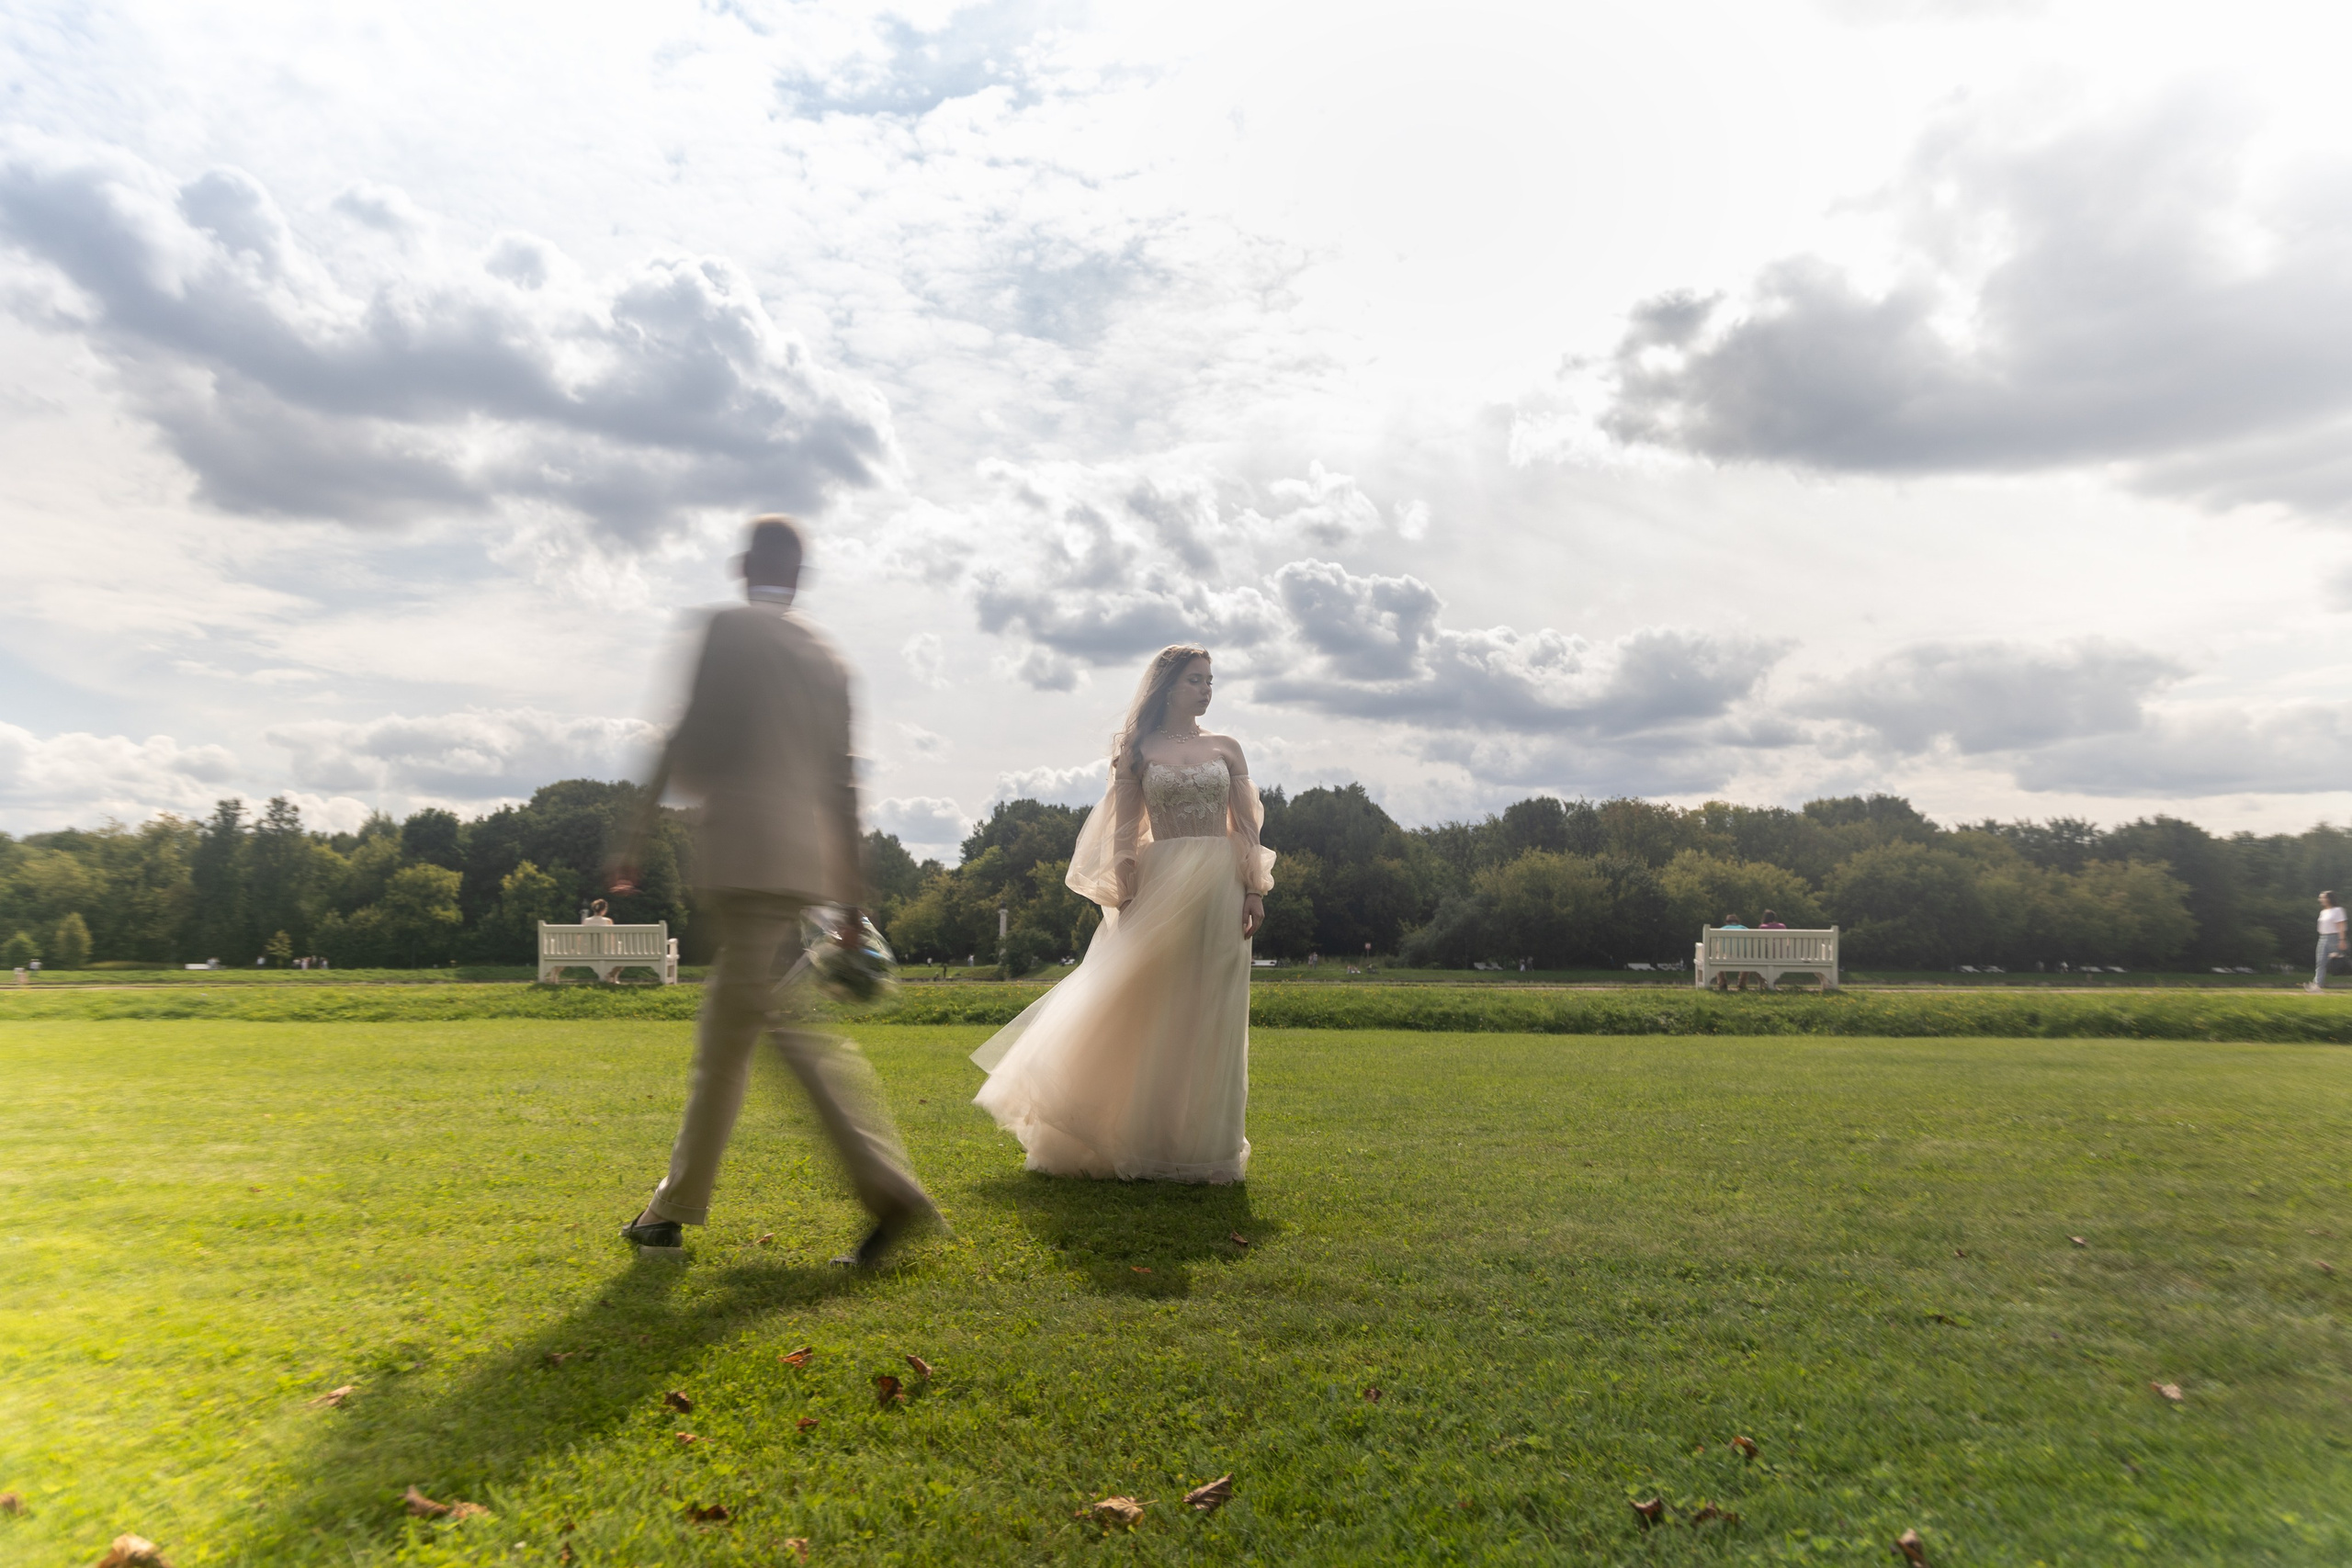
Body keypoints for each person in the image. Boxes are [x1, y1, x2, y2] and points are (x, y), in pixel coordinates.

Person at [608, 515, 937, 1268]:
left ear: (745, 564)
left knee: (775, 1032)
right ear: (799, 572)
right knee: (731, 1036)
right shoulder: (830, 659)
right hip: (801, 863)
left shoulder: (726, 628)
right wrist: (852, 901)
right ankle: (669, 1209)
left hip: (742, 852)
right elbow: (844, 781)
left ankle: (890, 1191)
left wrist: (633, 836)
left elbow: (685, 735)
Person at [968, 644, 1273, 1181]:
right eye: (1195, 680)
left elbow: (1247, 827)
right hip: (1161, 888)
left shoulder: (1228, 748)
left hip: (1222, 886)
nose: (1206, 689)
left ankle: (1207, 1149)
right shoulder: (1138, 750)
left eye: (1210, 680)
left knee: (1213, 1012)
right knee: (1151, 1005)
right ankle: (1136, 1135)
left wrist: (1254, 889)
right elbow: (1124, 835)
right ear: (1167, 687)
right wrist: (1126, 898)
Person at [2311, 891, 2346, 993]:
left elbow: (2341, 926)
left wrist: (2342, 940)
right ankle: (2317, 986)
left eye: (2323, 898)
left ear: (2329, 899)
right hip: (2322, 938)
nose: (2320, 900)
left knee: (2342, 962)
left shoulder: (2338, 910)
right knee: (2320, 962)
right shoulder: (2323, 912)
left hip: (2334, 938)